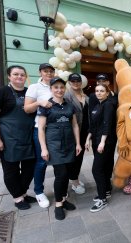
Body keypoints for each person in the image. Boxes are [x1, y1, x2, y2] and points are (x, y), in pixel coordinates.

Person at [0, 65, 37, 210]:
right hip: (9, 139)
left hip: (28, 138)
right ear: (9, 76)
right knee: (11, 170)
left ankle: (23, 192)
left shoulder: (29, 93)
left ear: (26, 77)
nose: (19, 77)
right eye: (16, 74)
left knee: (29, 169)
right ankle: (18, 197)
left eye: (22, 74)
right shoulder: (0, 92)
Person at [38, 77, 82, 220]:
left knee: (67, 173)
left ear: (65, 89)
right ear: (51, 89)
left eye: (61, 87)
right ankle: (58, 205)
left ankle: (63, 199)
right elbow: (41, 129)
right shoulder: (46, 106)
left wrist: (78, 143)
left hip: (69, 144)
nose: (59, 90)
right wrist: (44, 149)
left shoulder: (70, 105)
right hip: (54, 145)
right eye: (56, 87)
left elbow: (75, 125)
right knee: (61, 174)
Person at [24, 63, 55, 208]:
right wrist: (38, 102)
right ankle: (39, 192)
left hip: (56, 129)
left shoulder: (56, 85)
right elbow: (27, 109)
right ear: (40, 73)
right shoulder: (34, 87)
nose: (48, 73)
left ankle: (60, 187)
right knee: (42, 161)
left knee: (58, 160)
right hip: (40, 128)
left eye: (51, 71)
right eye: (45, 71)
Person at [85, 84, 117, 212]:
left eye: (102, 91)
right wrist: (88, 138)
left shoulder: (108, 104)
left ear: (107, 93)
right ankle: (106, 191)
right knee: (103, 167)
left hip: (105, 141)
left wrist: (102, 142)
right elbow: (93, 125)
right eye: (97, 91)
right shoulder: (97, 105)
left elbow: (107, 124)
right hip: (97, 140)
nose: (98, 93)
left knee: (96, 170)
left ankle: (102, 200)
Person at [64, 73, 89, 194]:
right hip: (72, 131)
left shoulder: (85, 96)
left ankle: (75, 178)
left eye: (77, 81)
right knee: (73, 157)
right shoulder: (66, 95)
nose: (75, 83)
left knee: (79, 157)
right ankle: (74, 182)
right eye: (72, 81)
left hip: (84, 131)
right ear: (69, 82)